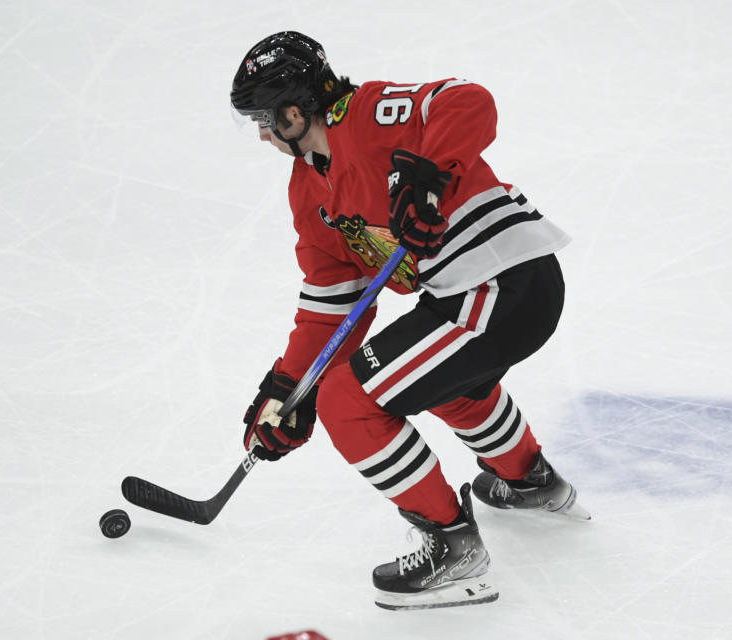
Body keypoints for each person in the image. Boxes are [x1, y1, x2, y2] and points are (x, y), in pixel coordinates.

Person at [231, 31, 589, 611]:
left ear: (294, 112)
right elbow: (333, 300)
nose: (263, 134)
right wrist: (288, 388)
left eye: (264, 120)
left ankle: (453, 550)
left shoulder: (366, 114)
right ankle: (528, 480)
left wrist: (423, 173)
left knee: (349, 399)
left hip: (501, 280)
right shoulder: (308, 193)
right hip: (475, 294)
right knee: (445, 385)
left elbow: (467, 100)